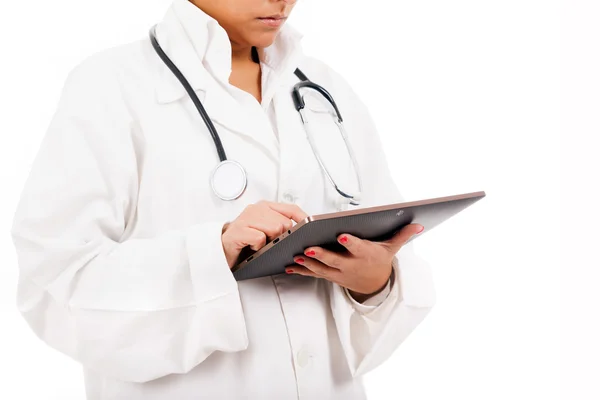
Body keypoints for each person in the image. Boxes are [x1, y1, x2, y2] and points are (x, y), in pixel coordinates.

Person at [10, 0, 437, 399]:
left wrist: (375, 284)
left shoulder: (325, 90)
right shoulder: (111, 85)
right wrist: (214, 251)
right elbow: (55, 281)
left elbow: (392, 254)